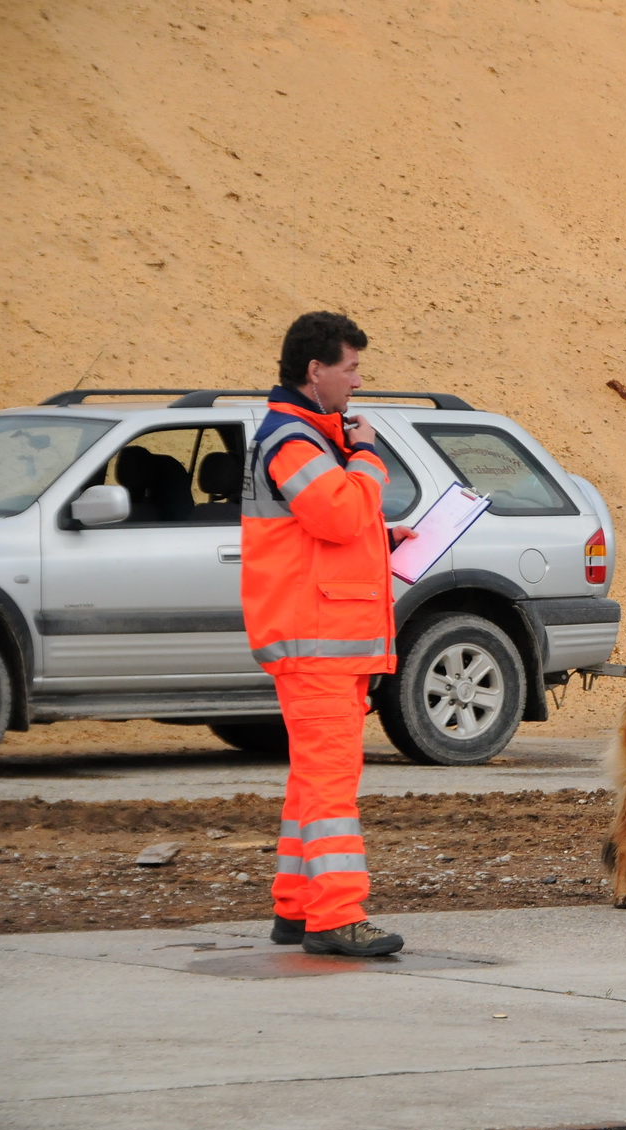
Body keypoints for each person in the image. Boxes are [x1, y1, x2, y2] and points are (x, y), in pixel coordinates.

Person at [242, 311, 415, 957]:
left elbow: (328, 529)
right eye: (351, 368)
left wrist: (384, 535)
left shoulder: (306, 439)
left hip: (322, 638)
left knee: (310, 781)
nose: (357, 380)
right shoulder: (293, 440)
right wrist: (368, 454)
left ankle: (296, 905)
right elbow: (341, 513)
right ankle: (336, 915)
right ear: (316, 371)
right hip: (316, 642)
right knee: (329, 784)